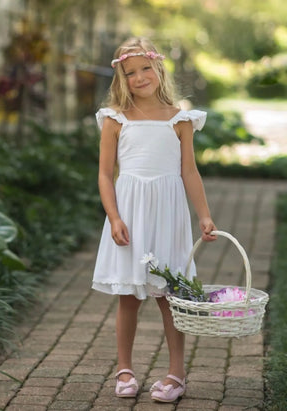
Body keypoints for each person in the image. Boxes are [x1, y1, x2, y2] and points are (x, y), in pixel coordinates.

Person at [92, 37, 217, 403]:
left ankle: (176, 374)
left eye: (145, 68)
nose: (139, 77)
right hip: (130, 212)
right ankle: (125, 369)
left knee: (170, 296)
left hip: (168, 212)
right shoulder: (116, 119)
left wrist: (205, 216)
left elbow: (189, 172)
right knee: (129, 297)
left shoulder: (180, 119)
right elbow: (104, 174)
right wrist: (114, 216)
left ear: (158, 69)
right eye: (130, 72)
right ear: (121, 78)